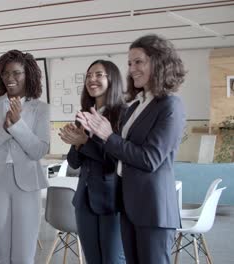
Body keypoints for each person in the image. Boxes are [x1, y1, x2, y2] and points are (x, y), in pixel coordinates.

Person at [77, 34, 186, 264]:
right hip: (128, 205)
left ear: (158, 62)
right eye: (129, 63)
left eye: (139, 61)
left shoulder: (170, 105)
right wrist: (87, 139)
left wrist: (107, 136)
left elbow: (150, 159)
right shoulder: (137, 104)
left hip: (153, 209)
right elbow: (119, 154)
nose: (132, 68)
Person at [0, 50, 50, 264]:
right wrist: (4, 129)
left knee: (23, 256)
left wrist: (17, 125)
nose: (10, 78)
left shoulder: (41, 109)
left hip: (27, 183)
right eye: (5, 73)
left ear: (29, 75)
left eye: (17, 73)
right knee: (3, 254)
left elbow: (39, 150)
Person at [59, 60, 126, 264]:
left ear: (111, 79)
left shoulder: (123, 114)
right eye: (88, 76)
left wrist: (85, 142)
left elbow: (117, 161)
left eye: (98, 75)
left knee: (113, 259)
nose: (92, 80)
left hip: (112, 200)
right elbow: (74, 162)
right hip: (84, 200)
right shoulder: (84, 115)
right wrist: (77, 143)